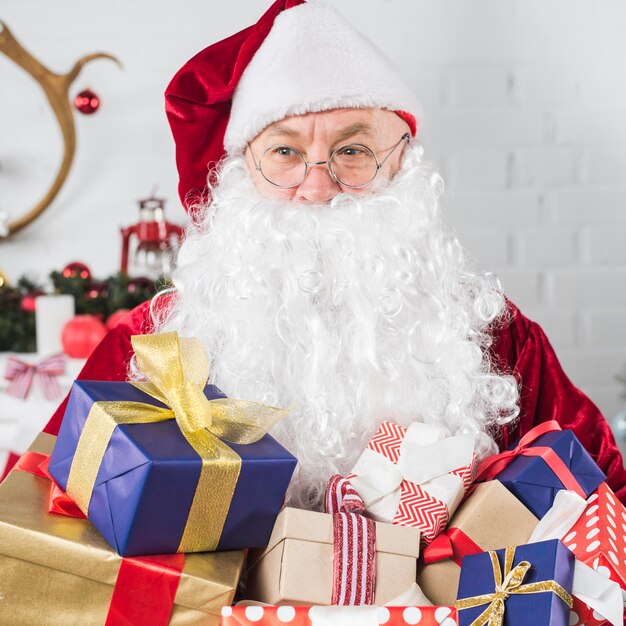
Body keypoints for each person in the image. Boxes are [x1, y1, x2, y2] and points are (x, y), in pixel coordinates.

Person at [44, 0, 626, 509]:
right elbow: (49, 507)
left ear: (403, 162)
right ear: (239, 169)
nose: (317, 187)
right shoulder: (153, 346)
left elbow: (603, 500)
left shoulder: (497, 340)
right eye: (284, 152)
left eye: (353, 149)